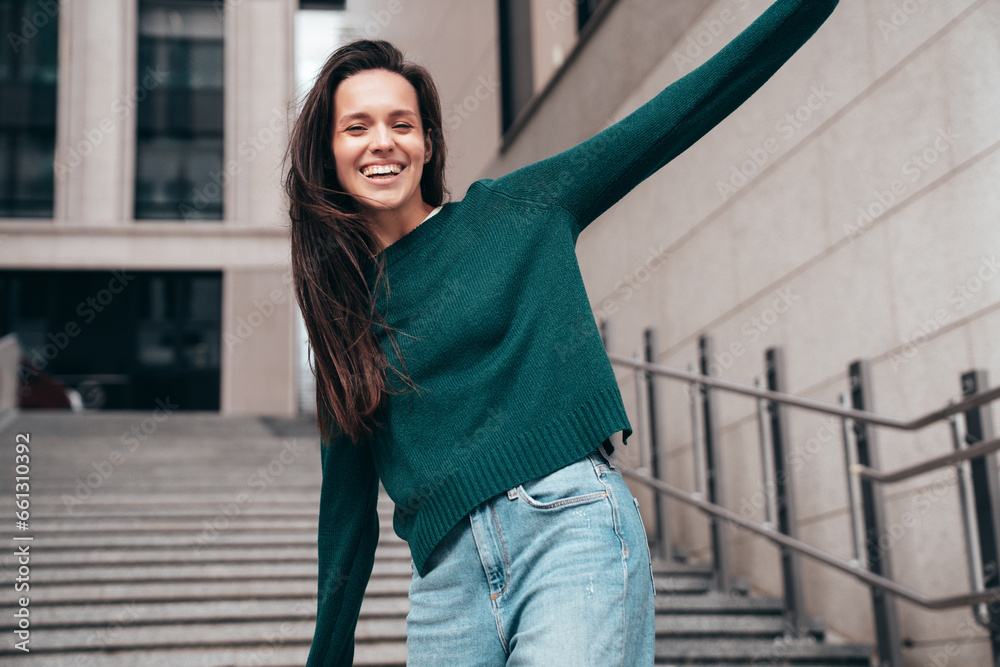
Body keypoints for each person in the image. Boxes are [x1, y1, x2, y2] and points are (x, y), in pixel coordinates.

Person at [284, 0, 839, 664]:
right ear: (332, 152)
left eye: (401, 123)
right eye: (357, 127)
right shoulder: (345, 315)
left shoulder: (516, 209)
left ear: (427, 142)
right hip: (444, 587)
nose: (382, 142)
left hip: (568, 527)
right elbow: (344, 516)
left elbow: (677, 112)